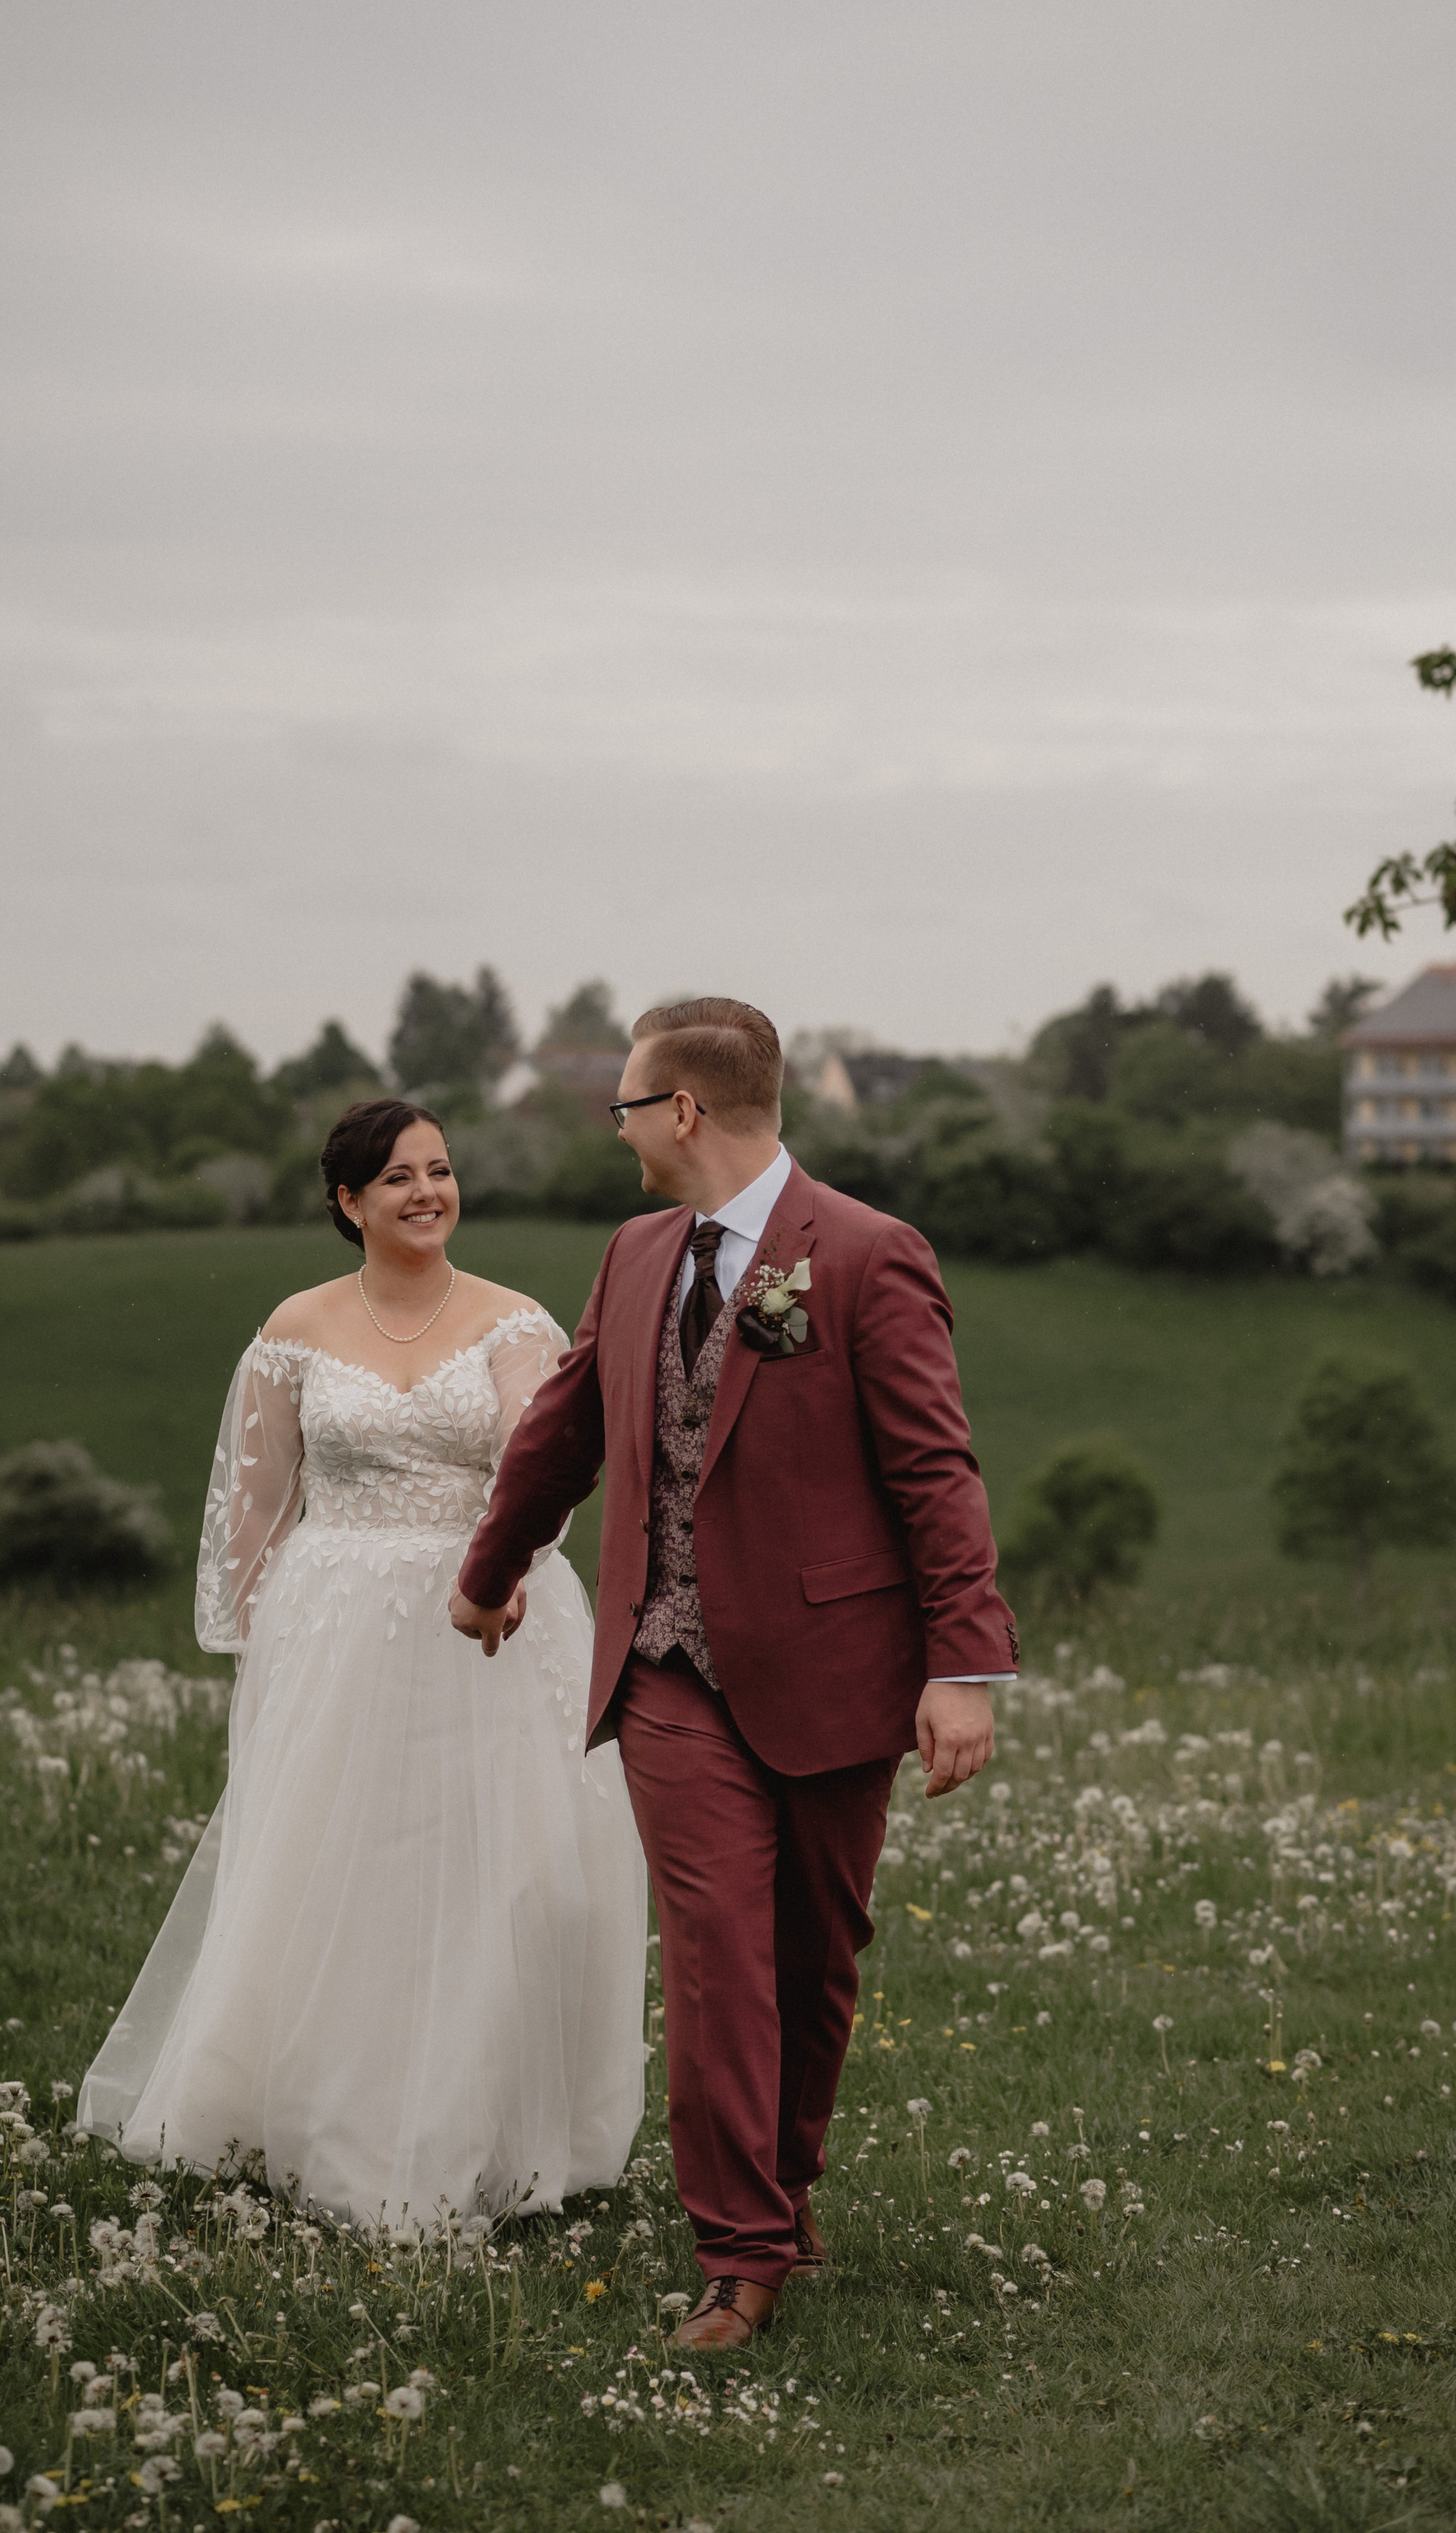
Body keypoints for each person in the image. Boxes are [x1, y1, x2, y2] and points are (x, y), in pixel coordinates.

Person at [452, 997, 1016, 2347]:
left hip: (832, 1664)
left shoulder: (868, 1255)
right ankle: (739, 2251)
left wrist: (964, 1664)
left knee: (814, 1957)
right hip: (665, 1662)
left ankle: (787, 2184)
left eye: (628, 1107)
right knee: (715, 1952)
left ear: (684, 1112)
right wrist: (491, 1563)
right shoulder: (636, 1251)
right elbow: (566, 1419)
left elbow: (933, 1471)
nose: (623, 1133)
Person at [79, 1099, 647, 2232]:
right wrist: (270, 1643)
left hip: (487, 1616)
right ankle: (310, 2110)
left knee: (501, 1873)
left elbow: (539, 1464)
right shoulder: (296, 1327)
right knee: (334, 1865)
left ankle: (483, 2126)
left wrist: (511, 1566)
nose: (428, 1192)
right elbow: (253, 1504)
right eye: (399, 1178)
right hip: (335, 1625)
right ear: (349, 1202)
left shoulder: (513, 1323)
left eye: (440, 1171)